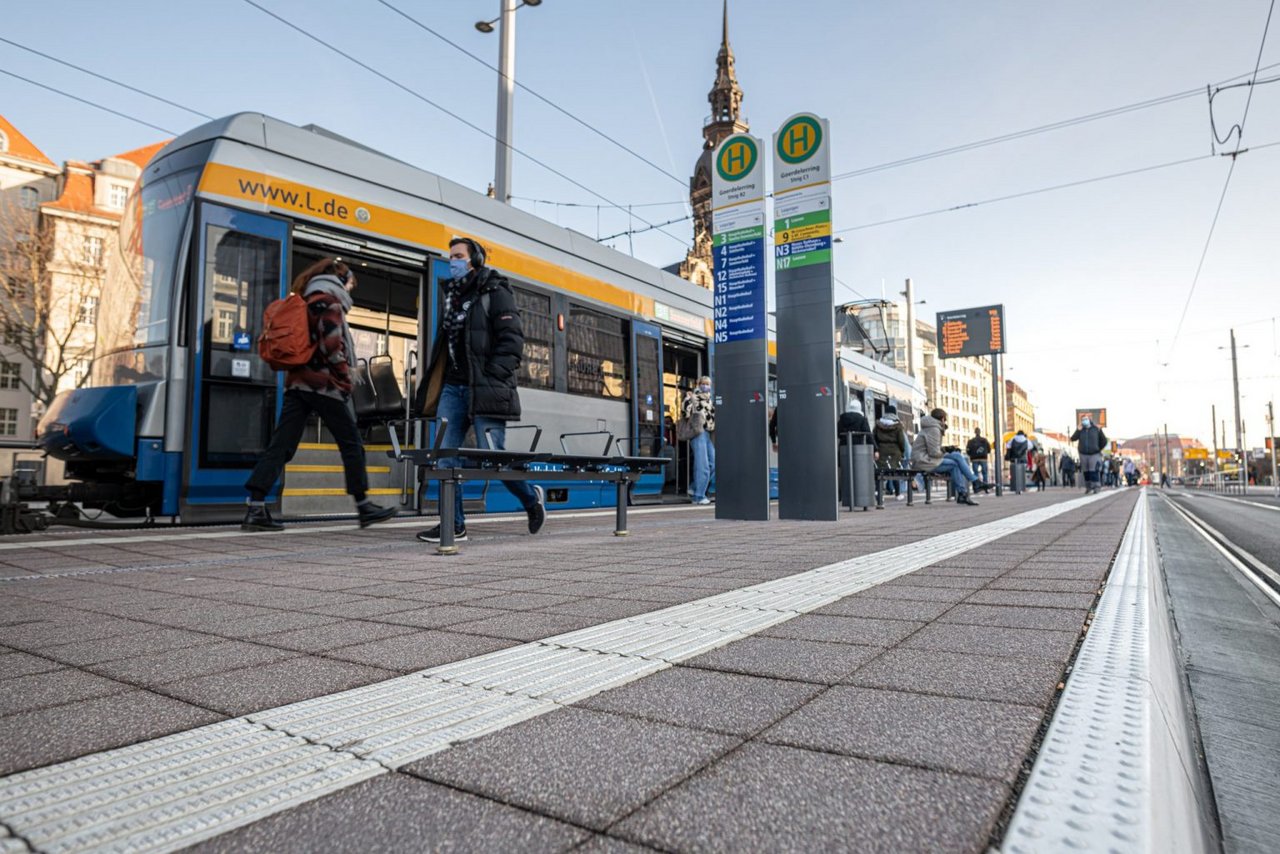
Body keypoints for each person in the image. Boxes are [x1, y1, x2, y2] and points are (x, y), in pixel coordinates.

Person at [243, 258, 398, 532]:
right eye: (351, 283)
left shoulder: (307, 298)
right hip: (323, 385)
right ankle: (364, 506)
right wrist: (344, 377)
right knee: (351, 443)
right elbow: (331, 345)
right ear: (342, 279)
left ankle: (255, 507)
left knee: (282, 445)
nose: (350, 289)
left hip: (297, 384)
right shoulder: (329, 301)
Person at [413, 236, 546, 543]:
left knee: (492, 456)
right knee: (445, 456)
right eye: (451, 257)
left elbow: (512, 341)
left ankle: (530, 499)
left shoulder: (495, 292)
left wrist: (492, 374)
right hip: (453, 389)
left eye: (458, 256)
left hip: (484, 387)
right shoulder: (452, 298)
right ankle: (454, 525)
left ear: (476, 260)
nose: (453, 262)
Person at [910, 408, 992, 506]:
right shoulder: (934, 429)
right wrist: (946, 450)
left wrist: (948, 449)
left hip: (926, 458)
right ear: (942, 419)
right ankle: (969, 487)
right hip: (923, 461)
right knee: (955, 464)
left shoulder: (930, 427)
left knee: (957, 456)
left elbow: (932, 449)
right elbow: (934, 452)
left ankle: (970, 487)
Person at [683, 376, 716, 504]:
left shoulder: (709, 400)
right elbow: (685, 412)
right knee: (702, 466)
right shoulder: (693, 396)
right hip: (698, 432)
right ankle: (698, 496)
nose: (705, 386)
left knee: (713, 464)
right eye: (703, 383)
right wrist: (689, 399)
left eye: (707, 384)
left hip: (708, 433)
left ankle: (693, 487)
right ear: (698, 384)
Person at [874, 403, 910, 500]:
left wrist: (876, 450)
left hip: (882, 451)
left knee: (880, 472)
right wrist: (902, 452)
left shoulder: (878, 425)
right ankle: (897, 494)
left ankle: (878, 493)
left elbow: (874, 438)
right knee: (895, 472)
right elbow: (901, 441)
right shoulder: (898, 426)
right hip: (895, 452)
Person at [1070, 415, 1108, 495]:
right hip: (1083, 454)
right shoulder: (1081, 430)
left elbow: (1104, 441)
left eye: (1086, 419)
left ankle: (1096, 487)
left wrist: (1098, 448)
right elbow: (1073, 438)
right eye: (1083, 420)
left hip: (1094, 454)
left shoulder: (1096, 429)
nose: (1084, 421)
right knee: (1086, 472)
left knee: (1093, 471)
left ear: (1090, 420)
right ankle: (1088, 487)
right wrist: (1078, 430)